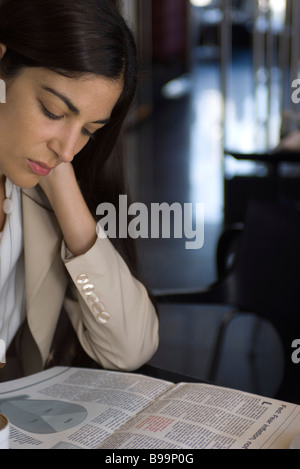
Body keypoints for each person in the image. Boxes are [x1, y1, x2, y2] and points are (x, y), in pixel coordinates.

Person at [0, 0, 159, 379]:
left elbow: (128, 347)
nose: (69, 150)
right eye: (53, 112)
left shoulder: (34, 195)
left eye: (89, 130)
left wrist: (63, 189)